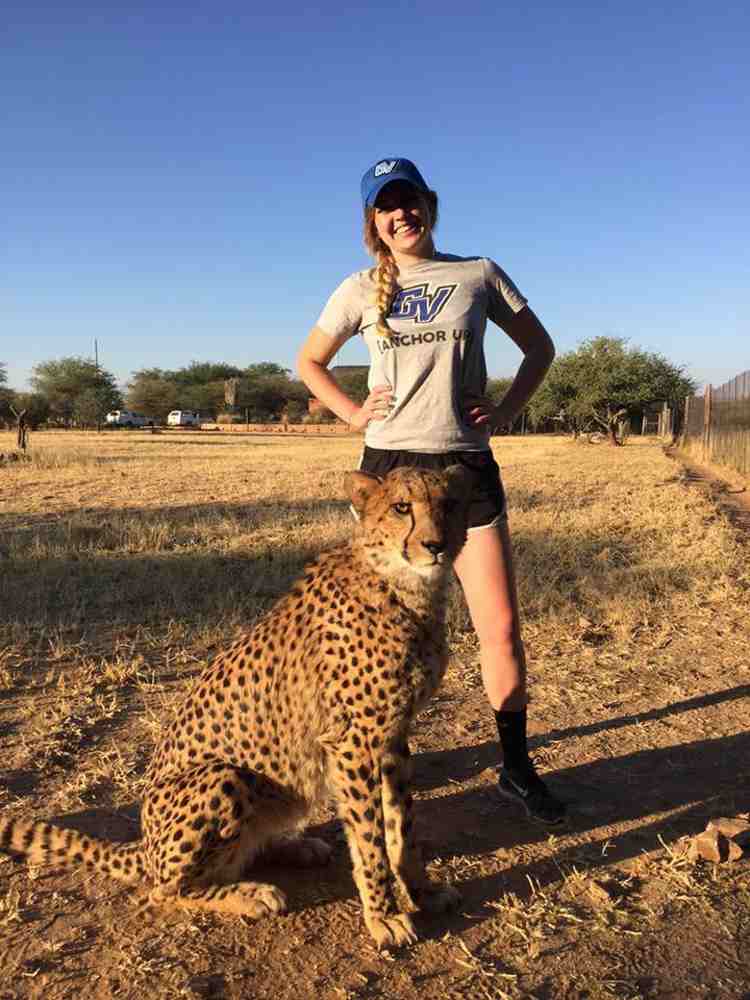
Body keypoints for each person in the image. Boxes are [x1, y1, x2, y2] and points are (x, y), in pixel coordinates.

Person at [297, 157, 565, 824]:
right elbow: (309, 361)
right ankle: (389, 762)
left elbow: (540, 348)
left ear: (429, 205)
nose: (401, 213)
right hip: (388, 470)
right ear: (373, 222)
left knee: (499, 627)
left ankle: (516, 767)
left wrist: (503, 413)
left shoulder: (478, 274)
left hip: (465, 468)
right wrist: (352, 413)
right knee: (383, 640)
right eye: (387, 205)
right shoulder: (358, 288)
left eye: (409, 199)